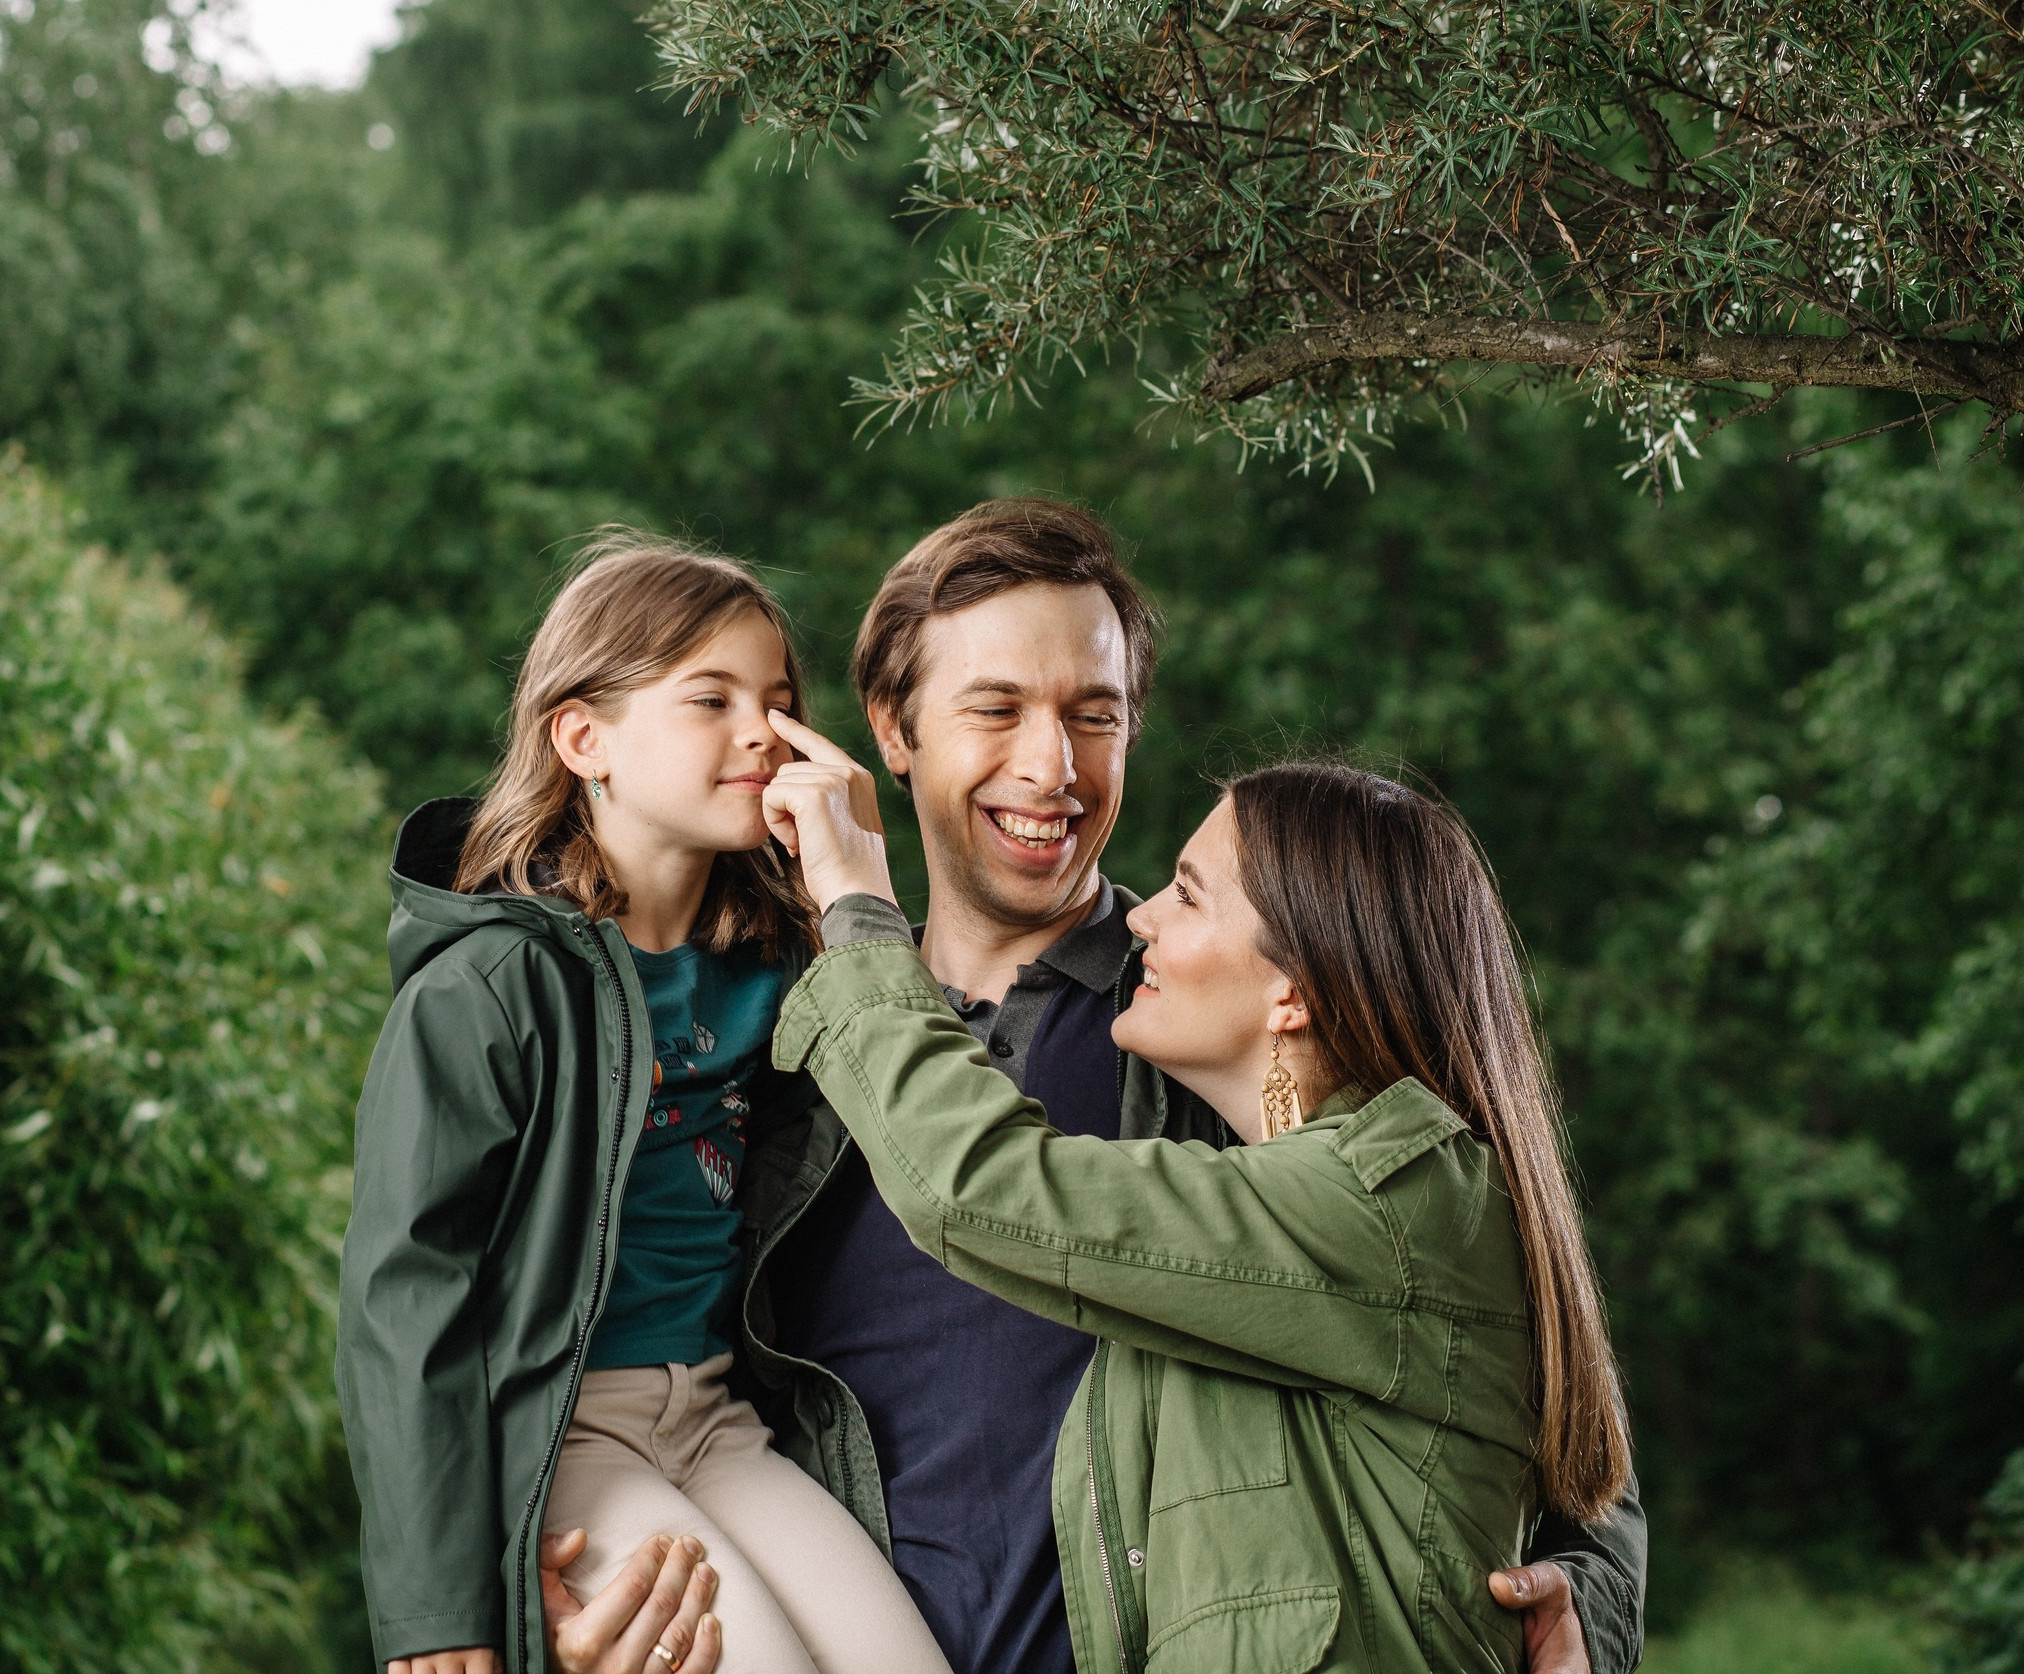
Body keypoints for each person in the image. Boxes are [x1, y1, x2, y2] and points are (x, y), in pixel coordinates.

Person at [755, 727, 1635, 1672]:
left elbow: (978, 1184)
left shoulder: (1391, 1199)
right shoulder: (1306, 1196)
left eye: (1187, 894)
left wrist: (854, 904)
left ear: (1291, 993)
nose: (1143, 919)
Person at [335, 537, 951, 1674]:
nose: (761, 730)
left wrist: (857, 881)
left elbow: (929, 1122)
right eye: (708, 698)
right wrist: (434, 1610)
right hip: (566, 1428)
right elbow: (401, 1299)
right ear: (584, 739)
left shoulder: (784, 961)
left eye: (775, 700)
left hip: (719, 1419)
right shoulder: (487, 987)